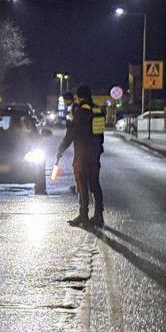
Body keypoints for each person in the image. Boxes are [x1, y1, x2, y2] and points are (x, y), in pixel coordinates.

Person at [55, 85, 106, 227]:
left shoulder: (80, 112)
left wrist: (60, 149)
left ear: (79, 97)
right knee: (95, 184)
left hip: (82, 154)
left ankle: (83, 215)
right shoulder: (97, 110)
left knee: (82, 184)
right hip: (95, 154)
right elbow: (100, 134)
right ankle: (98, 215)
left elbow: (71, 134)